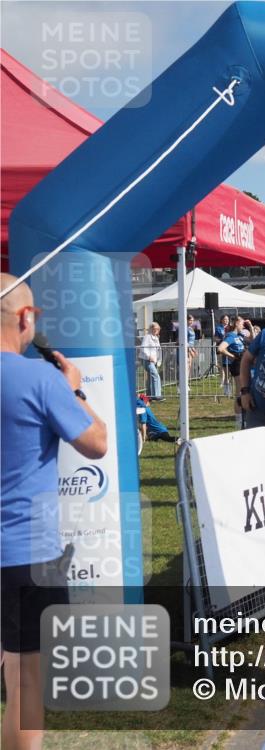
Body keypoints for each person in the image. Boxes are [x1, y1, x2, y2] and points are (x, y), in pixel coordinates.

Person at [1, 273, 108, 750]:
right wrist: (74, 390)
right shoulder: (41, 379)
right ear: (26, 317)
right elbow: (96, 443)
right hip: (26, 554)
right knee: (25, 684)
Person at [217, 316, 247, 398]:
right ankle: (238, 405)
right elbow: (220, 348)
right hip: (236, 364)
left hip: (241, 364)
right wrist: (233, 356)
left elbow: (252, 338)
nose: (243, 326)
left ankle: (241, 404)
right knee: (239, 389)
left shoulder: (238, 336)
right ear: (237, 324)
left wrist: (250, 326)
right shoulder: (231, 335)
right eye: (242, 324)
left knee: (242, 388)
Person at [138, 322, 163, 400]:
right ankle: (157, 396)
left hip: (154, 361)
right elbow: (143, 348)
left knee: (150, 377)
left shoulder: (156, 338)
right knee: (155, 375)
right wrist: (148, 356)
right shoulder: (147, 337)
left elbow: (158, 350)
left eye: (158, 329)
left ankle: (149, 395)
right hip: (147, 360)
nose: (156, 330)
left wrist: (158, 360)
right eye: (154, 328)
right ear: (151, 328)